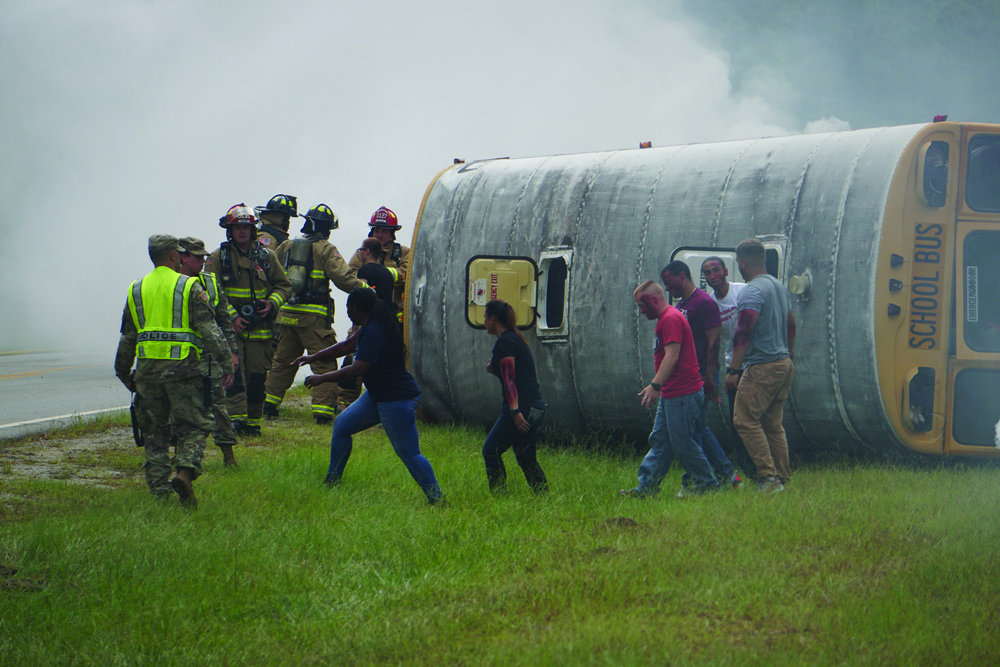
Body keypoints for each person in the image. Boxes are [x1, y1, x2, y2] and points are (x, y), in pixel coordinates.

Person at [114, 235, 235, 507]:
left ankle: (159, 490)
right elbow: (210, 330)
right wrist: (226, 362)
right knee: (195, 425)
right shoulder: (189, 286)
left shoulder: (136, 288)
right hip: (185, 371)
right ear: (172, 255)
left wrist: (123, 372)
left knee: (154, 431)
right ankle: (184, 471)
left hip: (147, 373)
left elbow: (127, 336)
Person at [296, 288, 445, 504]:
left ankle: (437, 499)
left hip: (396, 398)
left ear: (356, 308)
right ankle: (332, 481)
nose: (346, 312)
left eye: (348, 308)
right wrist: (313, 357)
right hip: (378, 395)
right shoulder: (369, 325)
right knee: (342, 427)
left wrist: (323, 377)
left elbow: (358, 369)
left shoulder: (375, 331)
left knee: (409, 453)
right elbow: (346, 346)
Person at [263, 204, 368, 424]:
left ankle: (268, 405)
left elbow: (270, 272)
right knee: (324, 364)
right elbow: (344, 279)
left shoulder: (287, 245)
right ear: (326, 228)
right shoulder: (326, 249)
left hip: (285, 314)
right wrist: (367, 290)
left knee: (282, 361)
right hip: (313, 319)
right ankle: (323, 413)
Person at [621, 281, 720, 497]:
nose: (641, 311)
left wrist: (655, 385)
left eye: (642, 305)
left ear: (654, 300)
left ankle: (707, 484)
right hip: (672, 393)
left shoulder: (671, 319)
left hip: (683, 394)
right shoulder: (666, 319)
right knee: (661, 442)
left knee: (683, 443)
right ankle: (646, 489)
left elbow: (672, 355)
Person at [206, 204, 292, 436]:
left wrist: (272, 303)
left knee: (256, 380)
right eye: (237, 227)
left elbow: (284, 286)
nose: (242, 232)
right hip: (232, 331)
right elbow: (212, 292)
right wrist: (232, 316)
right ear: (229, 230)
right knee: (233, 377)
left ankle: (253, 423)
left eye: (246, 227)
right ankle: (236, 422)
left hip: (261, 332)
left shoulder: (267, 256)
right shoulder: (217, 258)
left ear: (253, 229)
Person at [661, 261, 740, 494]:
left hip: (704, 373)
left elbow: (714, 341)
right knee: (698, 426)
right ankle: (728, 475)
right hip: (694, 374)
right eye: (707, 272)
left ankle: (697, 481)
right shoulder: (685, 304)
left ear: (682, 276)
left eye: (669, 282)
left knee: (692, 430)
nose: (667, 288)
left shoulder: (703, 303)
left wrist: (709, 377)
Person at [725, 238, 796, 493]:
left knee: (744, 420)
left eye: (738, 263)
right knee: (772, 424)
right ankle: (783, 479)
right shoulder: (779, 287)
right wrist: (789, 356)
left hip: (762, 365)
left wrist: (734, 370)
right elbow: (791, 325)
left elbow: (744, 332)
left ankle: (768, 479)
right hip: (783, 363)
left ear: (743, 262)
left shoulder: (752, 290)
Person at [178, 236, 241, 467]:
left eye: (204, 257)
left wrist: (231, 353)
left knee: (218, 407)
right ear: (183, 257)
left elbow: (224, 321)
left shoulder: (210, 282)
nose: (202, 262)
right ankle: (181, 458)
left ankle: (229, 457)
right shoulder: (173, 284)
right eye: (197, 257)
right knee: (181, 410)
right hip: (181, 358)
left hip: (210, 357)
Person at [482, 299, 548, 495]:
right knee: (525, 457)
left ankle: (499, 497)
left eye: (485, 317)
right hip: (536, 406)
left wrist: (515, 411)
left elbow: (510, 380)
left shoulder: (504, 343)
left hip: (522, 407)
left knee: (490, 450)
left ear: (492, 319)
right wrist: (494, 369)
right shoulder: (516, 339)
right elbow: (518, 374)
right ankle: (543, 495)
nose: (484, 320)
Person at [701, 255, 755, 478]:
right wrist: (712, 374)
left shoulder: (742, 291)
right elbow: (713, 342)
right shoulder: (710, 303)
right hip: (733, 364)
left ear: (725, 272)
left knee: (755, 419)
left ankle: (767, 468)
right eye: (707, 273)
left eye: (716, 270)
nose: (712, 276)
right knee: (736, 422)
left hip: (754, 363)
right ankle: (747, 470)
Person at [348, 206, 410, 312]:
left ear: (392, 234)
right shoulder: (362, 253)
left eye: (384, 231)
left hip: (395, 315)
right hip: (368, 313)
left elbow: (409, 275)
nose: (380, 235)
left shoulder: (403, 252)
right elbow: (350, 276)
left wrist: (383, 273)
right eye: (377, 231)